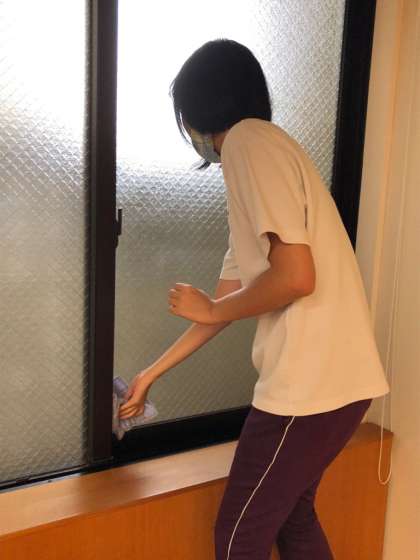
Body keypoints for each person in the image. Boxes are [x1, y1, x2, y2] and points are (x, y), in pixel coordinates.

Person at [119, 39, 390, 560]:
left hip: (309, 384)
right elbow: (226, 304)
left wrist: (213, 307)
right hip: (340, 383)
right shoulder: (266, 159)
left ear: (200, 108)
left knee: (237, 536)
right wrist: (150, 374)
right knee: (294, 516)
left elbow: (296, 277)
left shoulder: (248, 141)